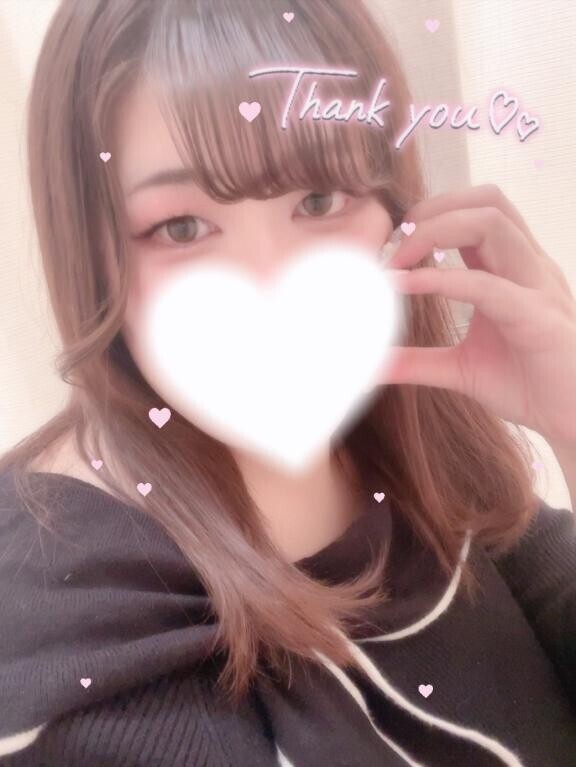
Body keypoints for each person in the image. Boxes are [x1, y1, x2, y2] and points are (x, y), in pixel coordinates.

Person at [1, 1, 575, 765]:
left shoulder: (417, 441)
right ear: (92, 254)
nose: (273, 287)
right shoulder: (75, 617)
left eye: (318, 199)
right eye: (181, 227)